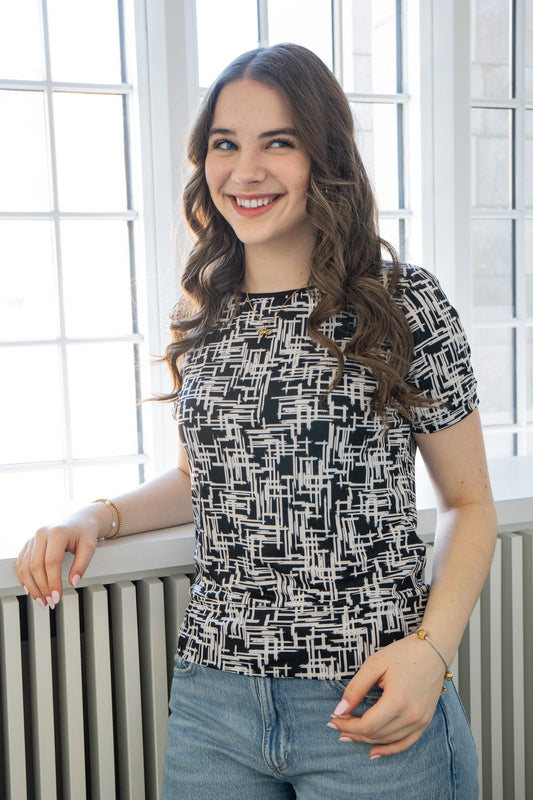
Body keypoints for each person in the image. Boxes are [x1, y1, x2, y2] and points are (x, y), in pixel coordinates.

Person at [16, 43, 496, 799]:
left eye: (278, 142)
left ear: (324, 157)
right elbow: (204, 478)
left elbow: (469, 504)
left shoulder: (402, 303)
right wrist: (94, 516)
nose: (244, 171)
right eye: (224, 144)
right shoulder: (205, 312)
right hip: (213, 706)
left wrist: (430, 653)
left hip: (369, 697)